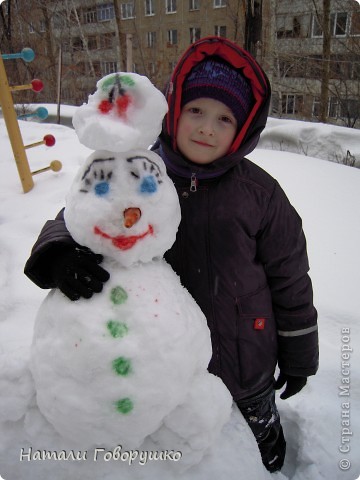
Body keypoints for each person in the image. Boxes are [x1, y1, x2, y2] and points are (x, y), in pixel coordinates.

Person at [24, 36, 318, 473]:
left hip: (243, 358)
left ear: (244, 129)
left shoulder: (259, 195)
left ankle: (270, 452)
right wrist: (58, 255)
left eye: (224, 119)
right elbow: (81, 214)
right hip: (167, 358)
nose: (206, 128)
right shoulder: (141, 171)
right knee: (190, 454)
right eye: (196, 110)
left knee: (257, 445)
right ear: (173, 109)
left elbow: (290, 276)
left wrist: (298, 354)